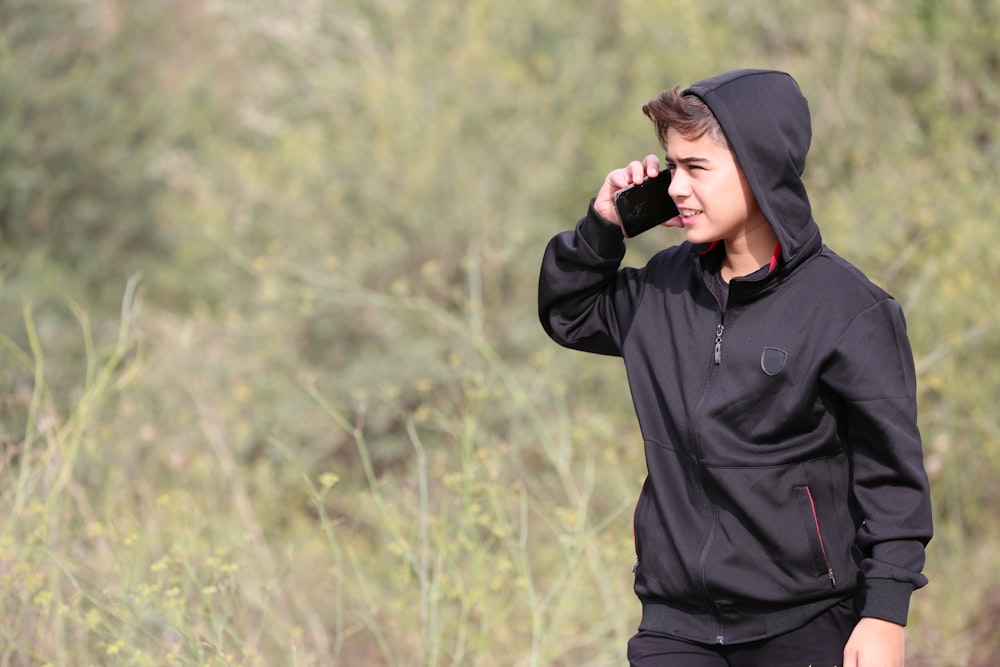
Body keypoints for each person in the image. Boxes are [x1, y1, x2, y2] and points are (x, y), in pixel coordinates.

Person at [537, 69, 932, 667]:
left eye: (697, 168)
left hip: (807, 624)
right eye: (673, 167)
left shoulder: (849, 310)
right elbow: (569, 312)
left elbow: (891, 475)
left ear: (760, 167)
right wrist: (604, 224)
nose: (675, 188)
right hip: (675, 627)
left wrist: (884, 615)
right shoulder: (661, 290)